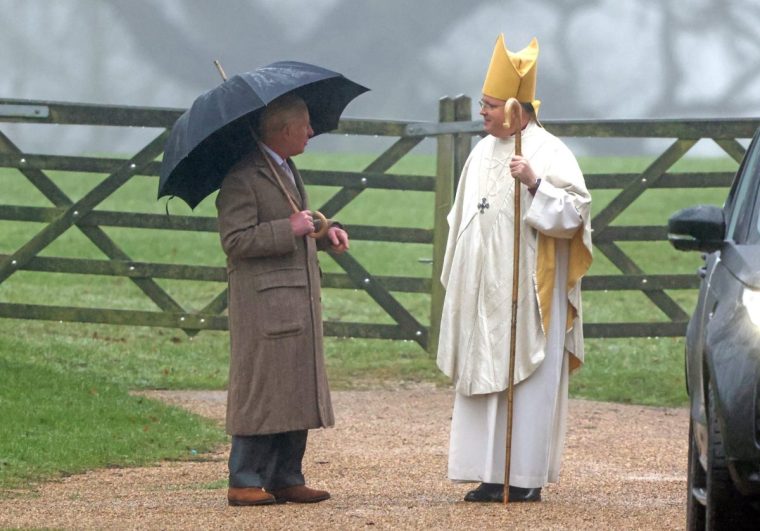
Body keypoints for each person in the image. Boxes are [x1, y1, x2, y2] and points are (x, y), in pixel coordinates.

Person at [436, 34, 593, 503]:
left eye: (487, 105)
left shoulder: (550, 152)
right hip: (483, 290)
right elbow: (463, 217)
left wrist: (536, 184)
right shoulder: (482, 152)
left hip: (530, 294)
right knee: (483, 377)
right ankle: (489, 472)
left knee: (526, 383)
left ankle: (523, 477)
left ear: (512, 107)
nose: (480, 113)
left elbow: (576, 217)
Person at [215, 93, 349, 506]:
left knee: (295, 385)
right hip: (263, 305)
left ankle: (286, 476)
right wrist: (286, 228)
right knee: (262, 388)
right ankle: (244, 479)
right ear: (284, 130)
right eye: (305, 125)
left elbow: (298, 224)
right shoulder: (243, 176)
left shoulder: (285, 168)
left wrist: (325, 232)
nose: (311, 132)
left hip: (297, 300)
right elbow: (235, 241)